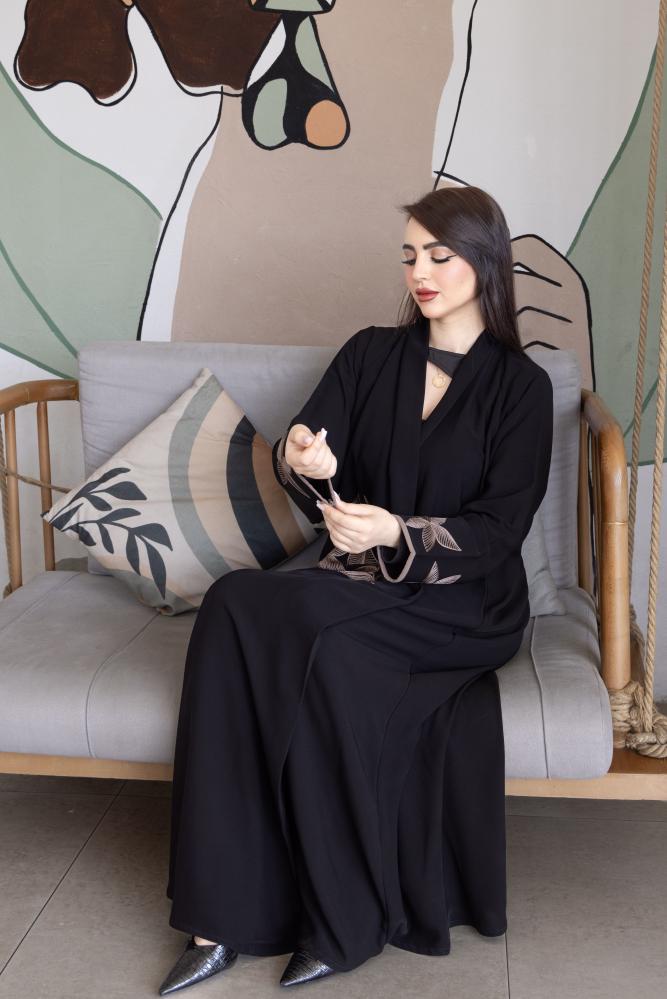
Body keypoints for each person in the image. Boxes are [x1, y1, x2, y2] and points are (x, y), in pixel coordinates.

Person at [158, 185, 554, 995]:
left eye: (438, 255)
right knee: (233, 602)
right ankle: (217, 916)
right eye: (409, 256)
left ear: (484, 261)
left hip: (464, 598)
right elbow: (307, 454)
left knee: (320, 640)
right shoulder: (370, 353)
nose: (420, 272)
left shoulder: (521, 386)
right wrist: (305, 460)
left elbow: (499, 528)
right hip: (359, 578)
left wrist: (397, 533)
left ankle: (340, 919)